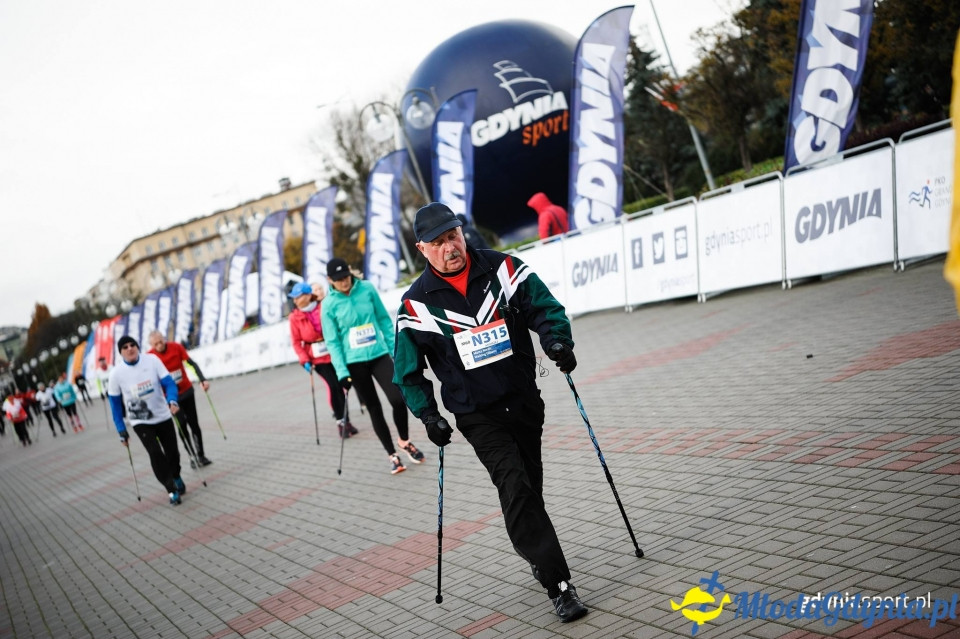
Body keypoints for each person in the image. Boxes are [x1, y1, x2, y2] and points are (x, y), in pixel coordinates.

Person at [393, 202, 588, 623]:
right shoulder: (415, 306)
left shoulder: (504, 269)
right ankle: (558, 585)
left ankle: (537, 552)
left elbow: (545, 308)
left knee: (529, 487)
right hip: (478, 415)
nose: (450, 247)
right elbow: (407, 373)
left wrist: (557, 341)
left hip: (524, 399)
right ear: (422, 249)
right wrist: (429, 415)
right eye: (438, 242)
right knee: (515, 487)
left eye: (453, 236)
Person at [321, 257, 425, 474]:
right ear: (330, 280)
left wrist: (396, 351)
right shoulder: (328, 305)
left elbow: (384, 321)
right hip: (354, 363)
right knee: (374, 408)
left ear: (350, 272)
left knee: (398, 398)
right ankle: (392, 455)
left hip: (378, 355)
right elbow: (333, 342)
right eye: (338, 279)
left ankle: (404, 441)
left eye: (346, 276)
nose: (344, 282)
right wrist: (342, 373)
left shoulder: (367, 289)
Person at [108, 335, 186, 505]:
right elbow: (115, 405)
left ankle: (176, 475)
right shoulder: (116, 374)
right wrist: (121, 430)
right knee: (155, 454)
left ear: (137, 346)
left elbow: (169, 383)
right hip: (140, 421)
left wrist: (172, 400)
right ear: (121, 352)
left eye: (132, 345)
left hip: (162, 414)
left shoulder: (152, 360)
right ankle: (171, 489)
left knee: (172, 452)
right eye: (125, 347)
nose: (130, 348)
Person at [288, 281, 357, 439]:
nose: (295, 300)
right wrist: (304, 360)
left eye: (298, 297)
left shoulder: (324, 306)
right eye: (294, 298)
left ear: (307, 296)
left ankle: (346, 421)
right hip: (317, 358)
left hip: (334, 353)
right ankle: (340, 422)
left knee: (342, 386)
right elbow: (296, 342)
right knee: (333, 386)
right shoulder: (294, 317)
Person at [146, 330, 213, 466]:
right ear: (151, 345)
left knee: (194, 424)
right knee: (182, 425)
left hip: (186, 391)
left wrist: (202, 379)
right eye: (156, 344)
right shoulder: (150, 357)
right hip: (171, 398)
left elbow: (191, 363)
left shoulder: (176, 347)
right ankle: (192, 456)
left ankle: (201, 455)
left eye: (161, 341)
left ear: (164, 339)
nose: (159, 345)